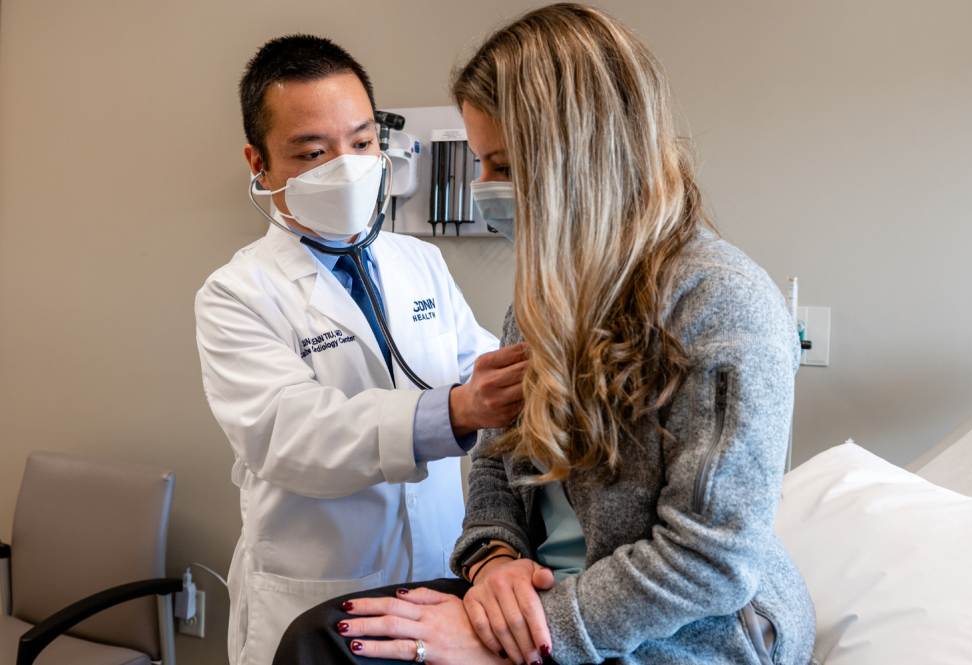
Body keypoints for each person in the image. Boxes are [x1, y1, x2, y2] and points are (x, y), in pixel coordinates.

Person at [273, 5, 816, 665]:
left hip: (685, 631)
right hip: (539, 591)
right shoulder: (545, 298)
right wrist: (494, 560)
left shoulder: (722, 304)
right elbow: (498, 460)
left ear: (582, 161)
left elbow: (709, 562)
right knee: (322, 640)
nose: (484, 191)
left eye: (502, 167)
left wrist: (528, 633)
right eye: (480, 164)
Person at [194, 35, 529, 665]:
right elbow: (292, 434)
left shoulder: (420, 263)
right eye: (313, 152)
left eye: (363, 141)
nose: (346, 166)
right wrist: (457, 410)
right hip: (319, 597)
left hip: (438, 591)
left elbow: (481, 370)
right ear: (258, 163)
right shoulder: (236, 294)